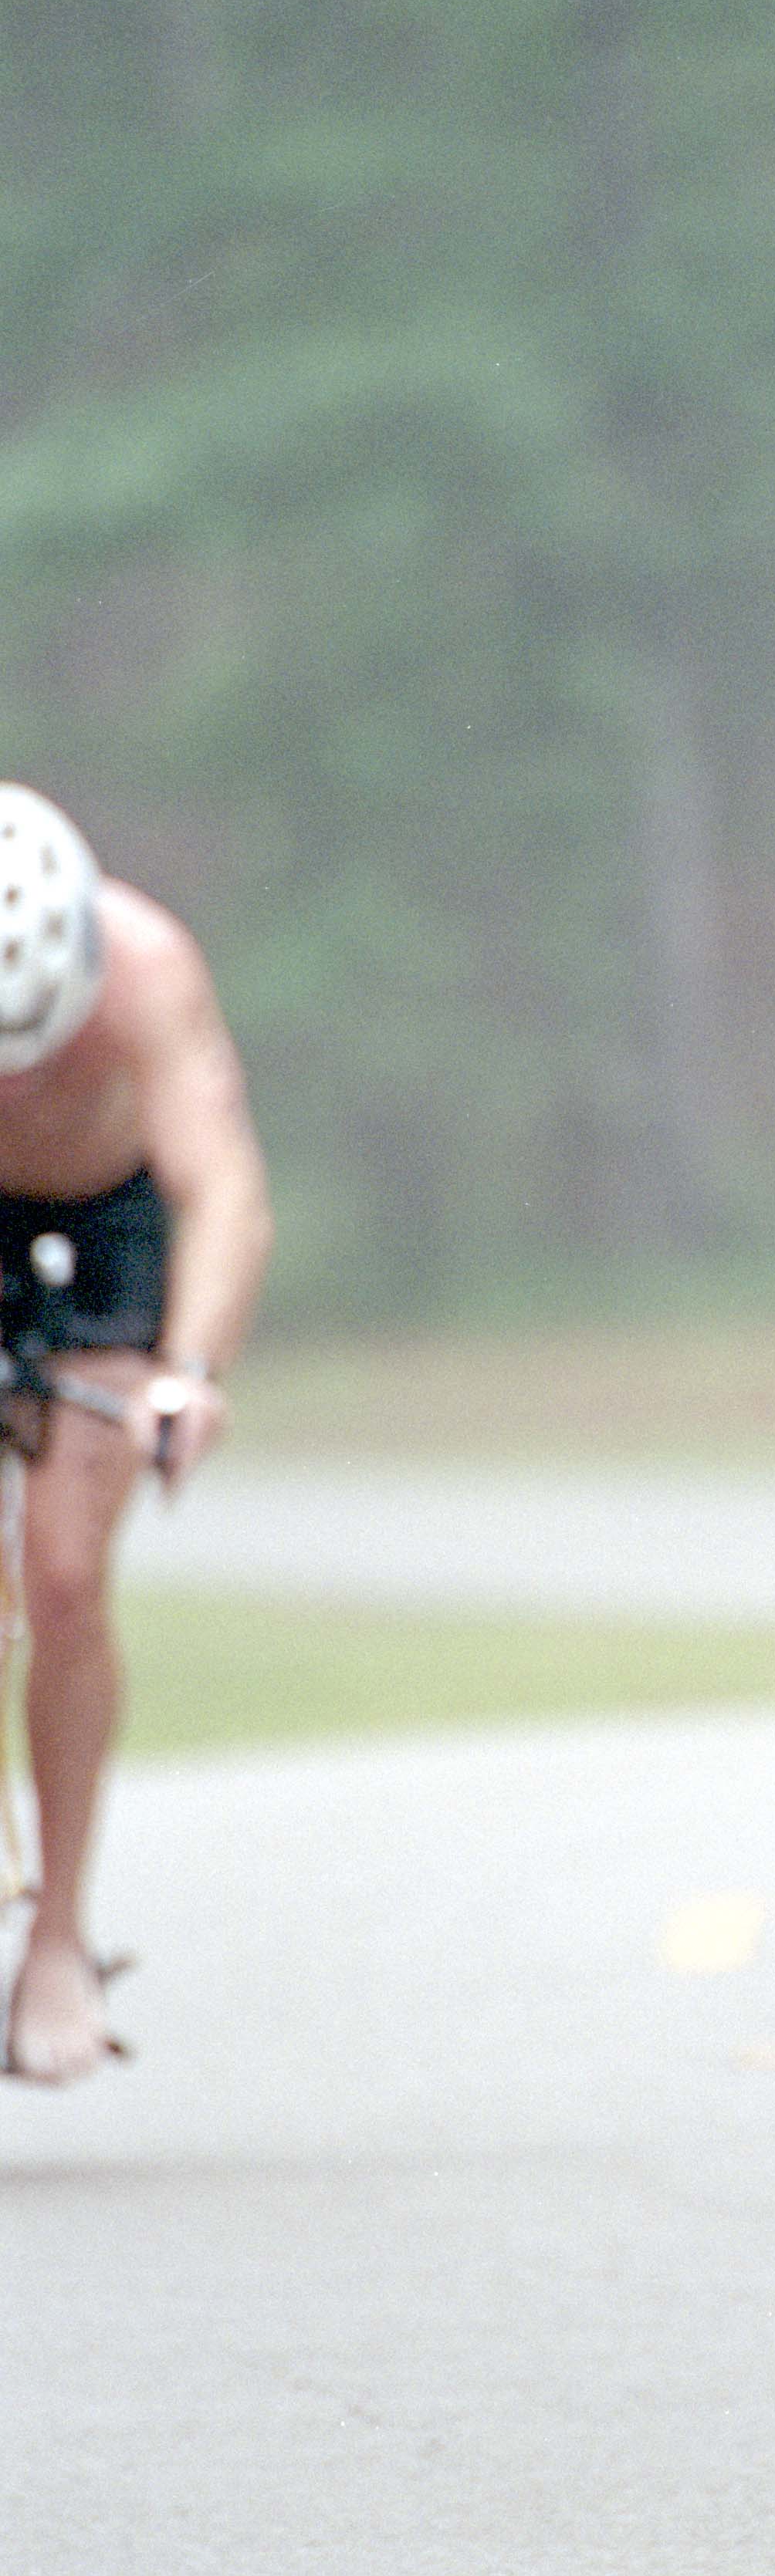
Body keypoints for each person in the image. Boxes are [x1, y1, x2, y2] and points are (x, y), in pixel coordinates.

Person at [0, 785, 272, 2084]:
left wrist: (191, 1373)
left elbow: (221, 1191)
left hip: (103, 1228)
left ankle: (58, 1934)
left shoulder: (151, 968)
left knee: (62, 1573)